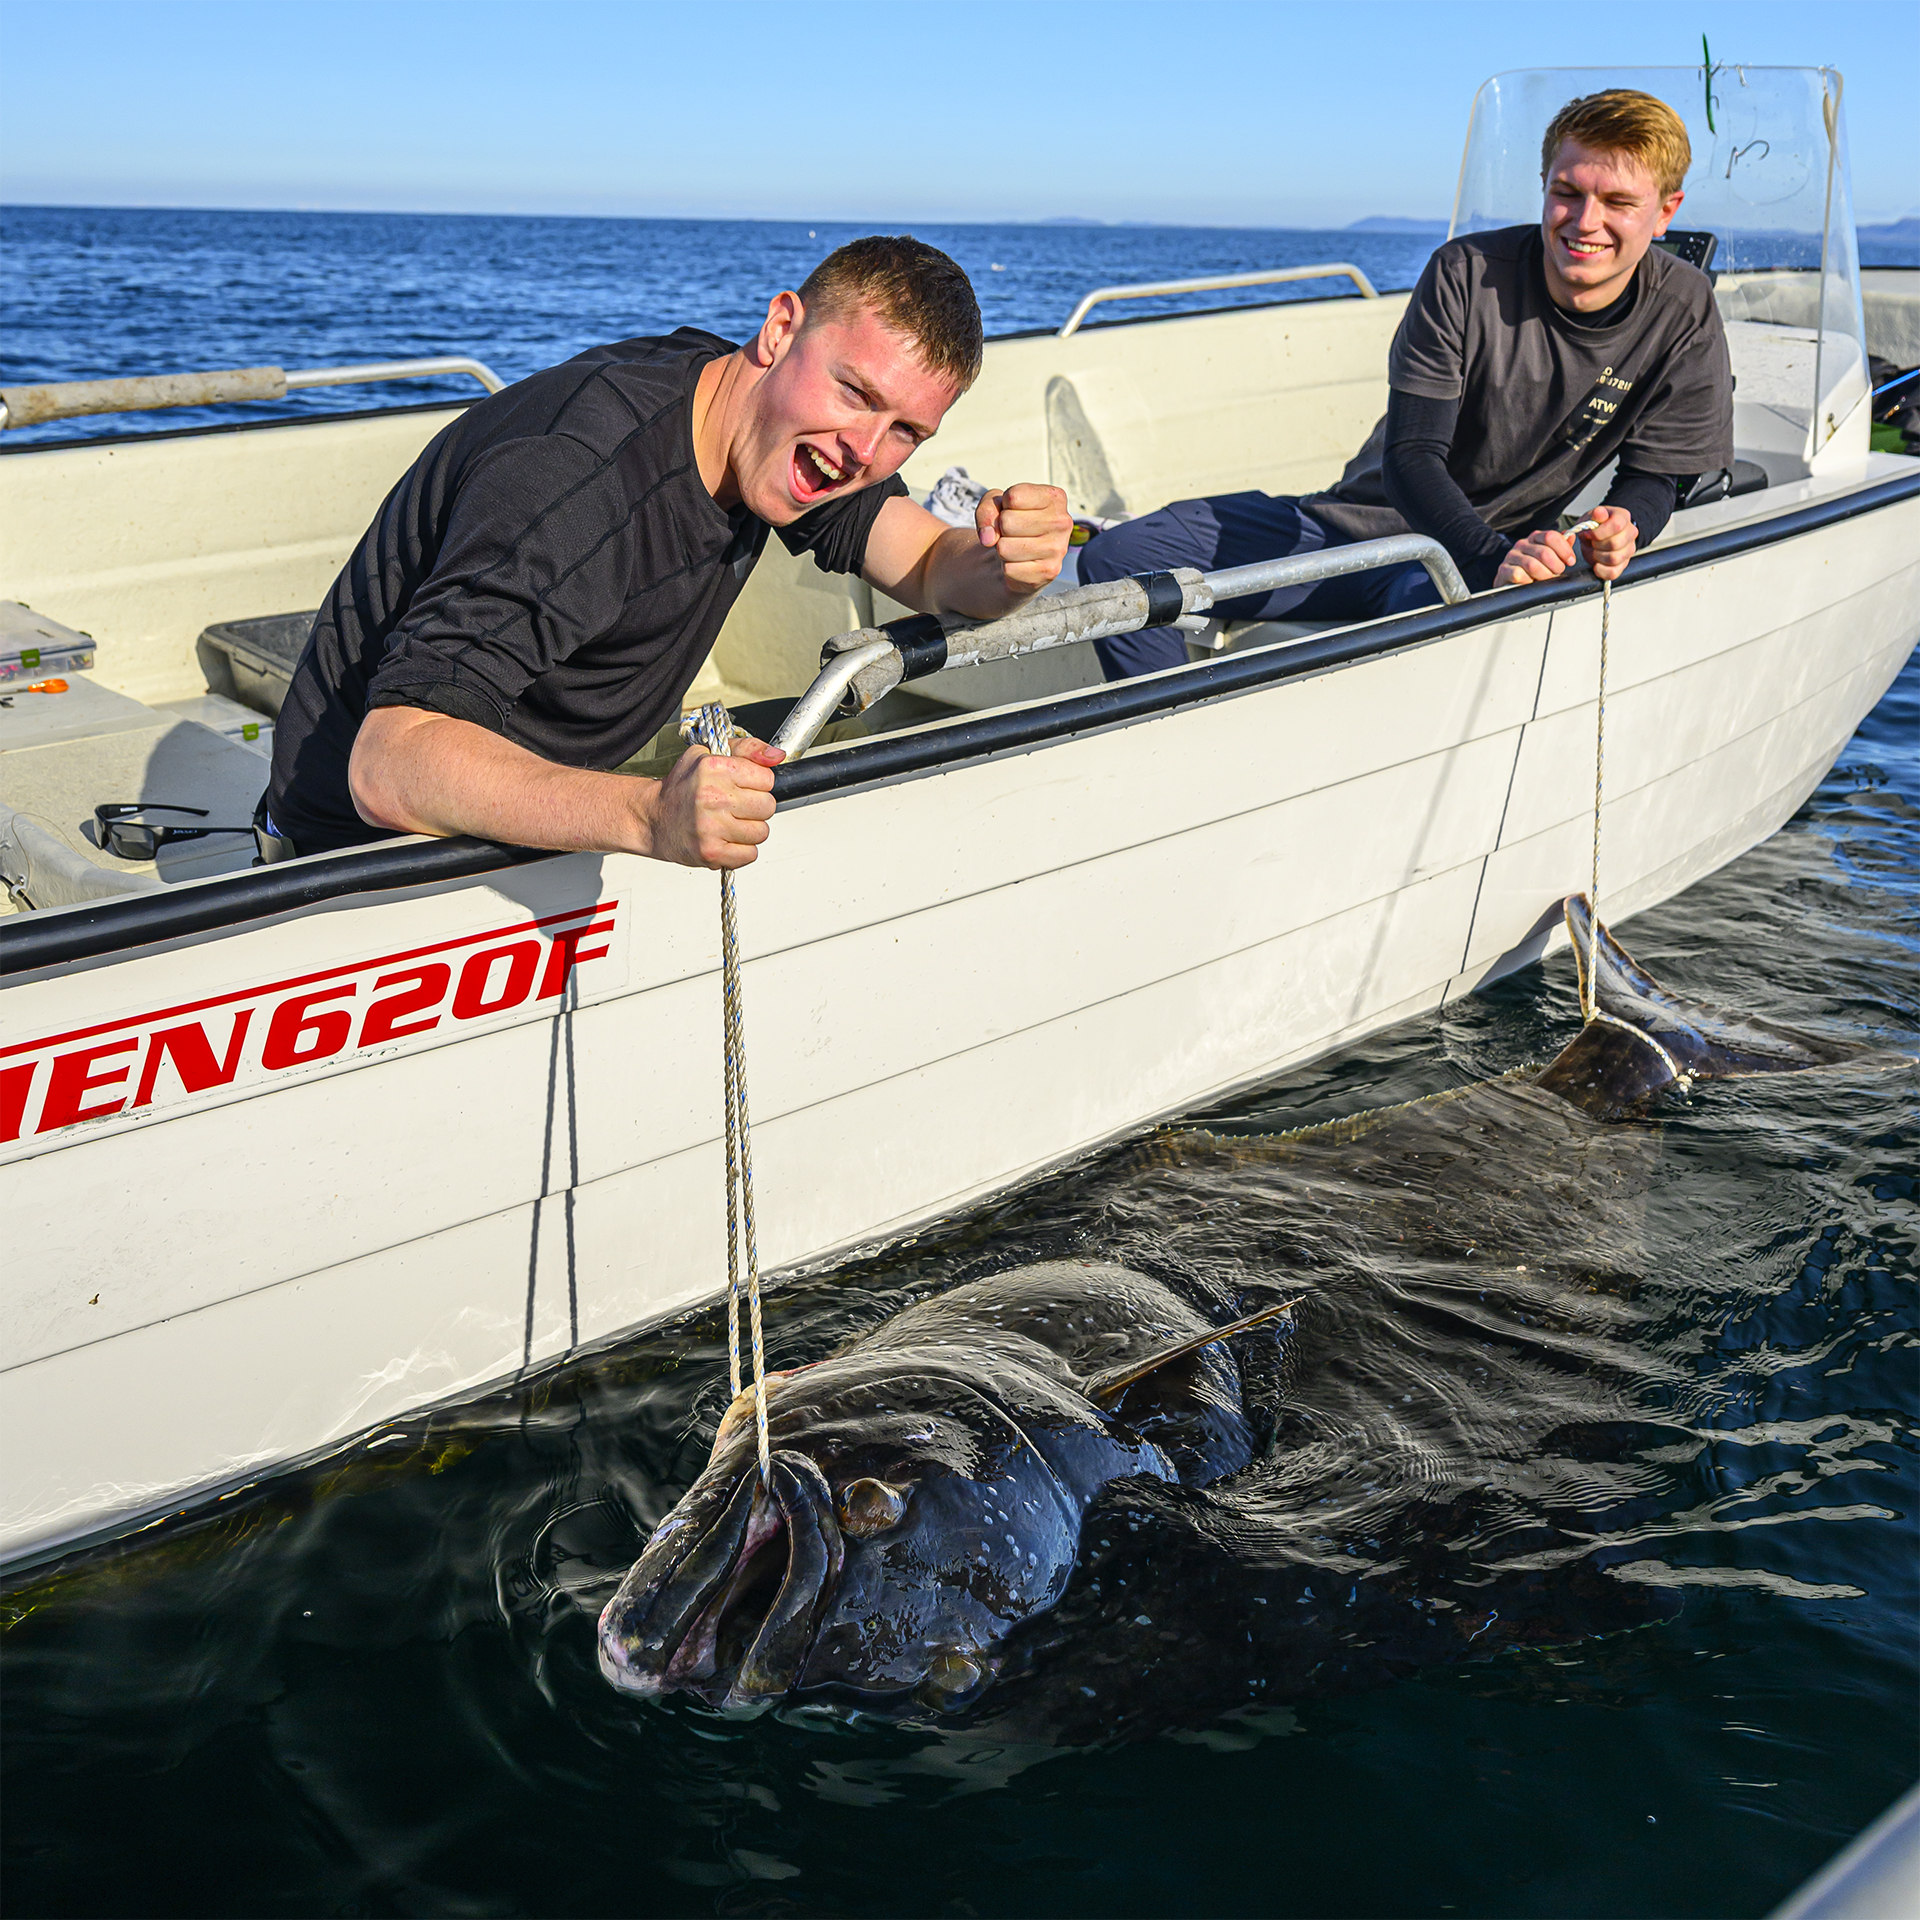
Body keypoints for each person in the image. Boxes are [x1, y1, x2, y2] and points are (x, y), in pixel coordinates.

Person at [264, 236, 1071, 865]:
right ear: (780, 329)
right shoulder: (578, 479)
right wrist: (645, 815)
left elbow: (932, 569)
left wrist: (1007, 565)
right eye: (856, 393)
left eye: (906, 431)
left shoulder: (780, 427)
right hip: (364, 858)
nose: (865, 448)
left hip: (539, 814)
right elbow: (390, 764)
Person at [1078, 89, 1733, 680]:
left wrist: (1626, 525)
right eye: (1568, 192)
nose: (1585, 221)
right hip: (1351, 532)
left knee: (1433, 622)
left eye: (1618, 202)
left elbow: (1657, 475)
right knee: (1119, 557)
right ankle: (1175, 741)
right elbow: (1412, 458)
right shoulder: (1465, 273)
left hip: (1469, 561)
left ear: (1665, 212)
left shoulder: (1683, 306)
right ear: (1543, 185)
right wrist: (1484, 560)